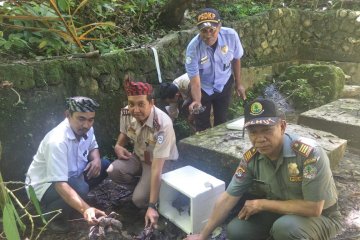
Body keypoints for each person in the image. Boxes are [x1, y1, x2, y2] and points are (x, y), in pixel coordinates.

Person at [185, 98, 342, 240]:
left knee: (286, 229)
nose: (259, 139)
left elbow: (313, 208)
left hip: (322, 217)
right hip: (280, 211)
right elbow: (227, 198)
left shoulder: (309, 153)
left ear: (282, 126)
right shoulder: (251, 158)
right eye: (253, 132)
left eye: (267, 130)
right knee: (237, 230)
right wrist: (202, 236)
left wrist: (262, 204)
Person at [25, 96, 111, 233]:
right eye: (81, 119)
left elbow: (93, 146)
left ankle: (73, 202)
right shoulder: (57, 141)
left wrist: (96, 159)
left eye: (90, 120)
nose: (86, 125)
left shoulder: (87, 129)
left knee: (105, 165)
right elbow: (60, 184)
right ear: (67, 115)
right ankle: (52, 215)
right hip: (44, 186)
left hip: (73, 176)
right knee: (81, 187)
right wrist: (86, 209)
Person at [106, 75, 179, 229]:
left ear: (151, 103)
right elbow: (125, 132)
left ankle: (153, 199)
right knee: (113, 170)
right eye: (131, 104)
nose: (135, 110)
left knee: (139, 201)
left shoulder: (162, 125)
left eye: (141, 104)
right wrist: (118, 146)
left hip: (159, 163)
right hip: (139, 156)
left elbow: (157, 168)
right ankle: (142, 187)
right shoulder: (126, 112)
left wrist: (152, 205)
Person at [185, 8, 246, 132]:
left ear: (219, 27)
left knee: (222, 121)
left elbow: (236, 59)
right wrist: (197, 100)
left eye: (212, 30)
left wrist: (238, 83)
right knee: (202, 125)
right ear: (199, 31)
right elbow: (195, 81)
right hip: (203, 88)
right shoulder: (193, 49)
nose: (208, 35)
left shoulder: (231, 36)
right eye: (204, 31)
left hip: (224, 84)